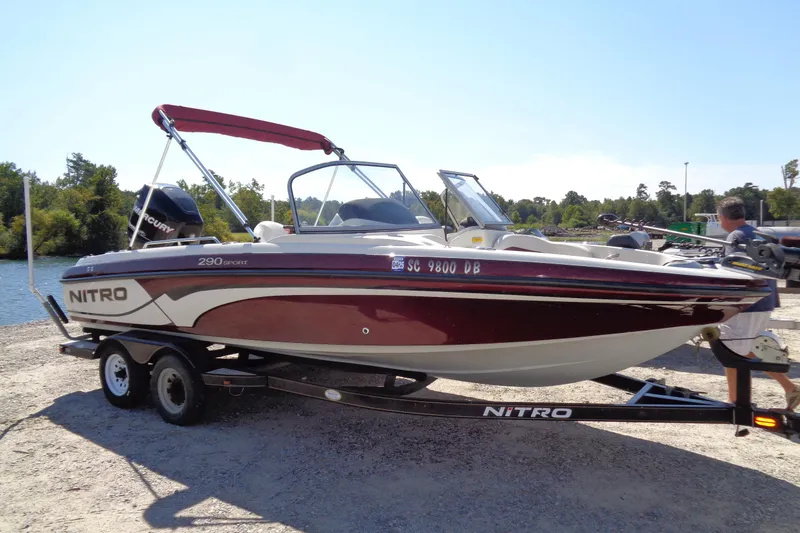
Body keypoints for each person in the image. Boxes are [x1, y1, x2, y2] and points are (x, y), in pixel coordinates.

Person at [716, 196, 800, 410]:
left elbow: (734, 270)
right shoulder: (763, 234)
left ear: (724, 217)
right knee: (745, 348)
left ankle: (736, 400)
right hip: (766, 300)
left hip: (746, 304)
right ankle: (790, 388)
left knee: (731, 350)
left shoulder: (735, 236)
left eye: (719, 218)